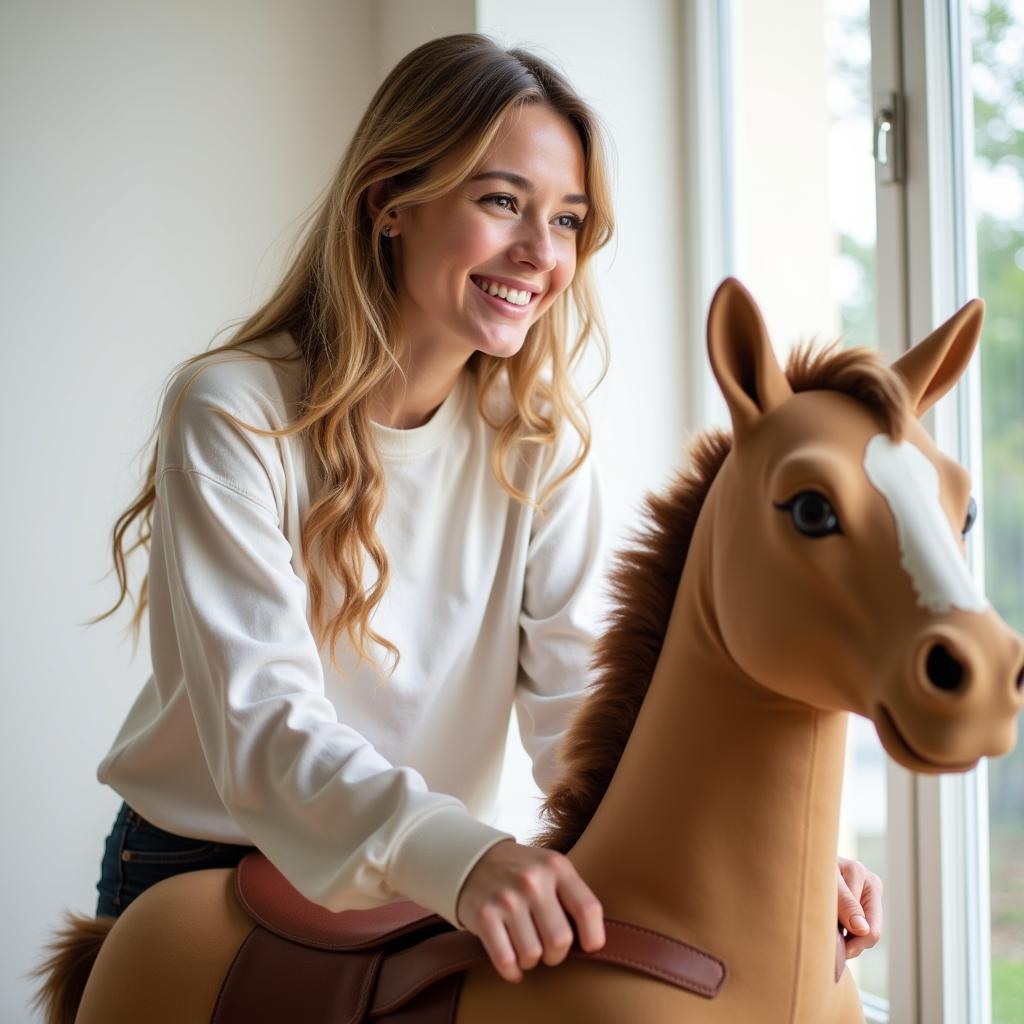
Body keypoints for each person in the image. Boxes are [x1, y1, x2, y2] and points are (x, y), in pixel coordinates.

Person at [87, 33, 882, 985]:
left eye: (569, 219)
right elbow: (264, 728)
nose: (541, 255)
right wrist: (460, 856)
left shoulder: (537, 446)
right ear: (389, 202)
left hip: (416, 877)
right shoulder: (231, 413)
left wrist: (767, 853)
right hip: (205, 866)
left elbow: (579, 719)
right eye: (502, 200)